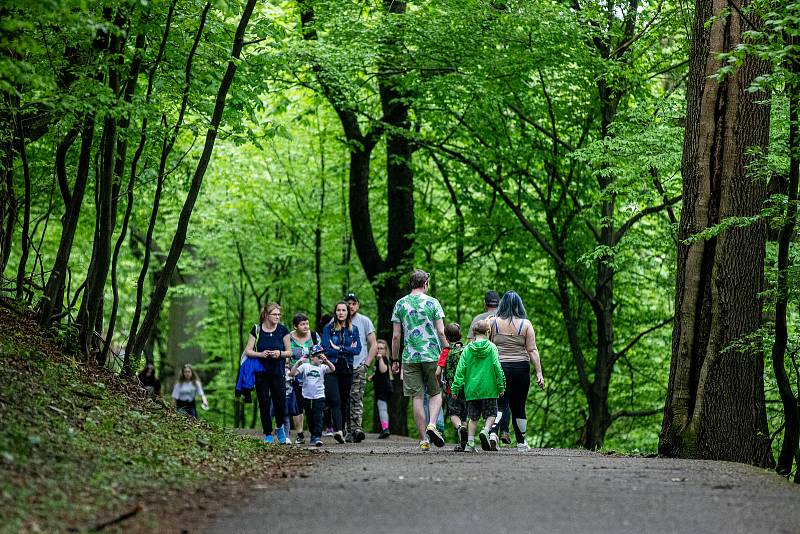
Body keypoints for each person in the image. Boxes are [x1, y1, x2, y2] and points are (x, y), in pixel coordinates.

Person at [391, 269, 448, 450]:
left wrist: (395, 359)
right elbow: (440, 331)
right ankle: (432, 424)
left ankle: (424, 439)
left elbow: (396, 336)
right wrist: (448, 349)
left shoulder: (400, 304)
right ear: (426, 284)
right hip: (432, 355)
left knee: (417, 396)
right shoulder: (433, 303)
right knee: (436, 393)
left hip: (410, 356)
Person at [489, 291, 545, 450]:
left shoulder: (493, 323)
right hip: (521, 369)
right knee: (519, 406)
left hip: (499, 367)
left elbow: (485, 346)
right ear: (519, 305)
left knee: (499, 403)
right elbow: (532, 350)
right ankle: (521, 443)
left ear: (502, 304)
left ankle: (493, 433)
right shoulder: (526, 324)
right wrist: (539, 373)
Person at [450, 319, 505, 452]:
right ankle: (486, 431)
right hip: (489, 389)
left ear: (474, 333)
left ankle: (470, 444)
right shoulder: (492, 347)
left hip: (472, 390)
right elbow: (497, 367)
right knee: (491, 414)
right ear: (488, 332)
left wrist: (455, 388)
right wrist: (501, 385)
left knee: (472, 418)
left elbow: (460, 370)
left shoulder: (467, 349)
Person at [244, 303, 292, 444]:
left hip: (278, 372)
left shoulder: (283, 330)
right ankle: (267, 434)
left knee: (280, 403)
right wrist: (261, 354)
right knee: (264, 403)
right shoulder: (256, 330)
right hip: (261, 373)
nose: (277, 317)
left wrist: (279, 353)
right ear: (266, 315)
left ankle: (279, 428)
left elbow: (290, 351)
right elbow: (248, 350)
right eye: (275, 314)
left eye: (279, 314)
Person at [321, 301, 362, 443]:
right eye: (338, 310)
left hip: (347, 368)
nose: (341, 313)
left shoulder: (354, 329)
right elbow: (326, 348)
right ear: (335, 312)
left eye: (344, 310)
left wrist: (338, 349)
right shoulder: (328, 329)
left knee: (344, 400)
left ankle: (342, 429)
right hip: (331, 367)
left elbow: (357, 350)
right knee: (335, 400)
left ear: (348, 312)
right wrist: (346, 349)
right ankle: (338, 430)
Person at [344, 293, 377, 443]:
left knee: (356, 397)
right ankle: (346, 429)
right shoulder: (337, 320)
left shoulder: (364, 321)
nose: (351, 306)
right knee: (344, 399)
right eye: (348, 303)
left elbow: (374, 344)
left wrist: (366, 364)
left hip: (359, 366)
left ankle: (357, 429)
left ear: (357, 305)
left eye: (353, 303)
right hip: (342, 367)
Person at [290, 344, 335, 447]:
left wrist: (326, 360)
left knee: (318, 416)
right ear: (312, 357)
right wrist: (298, 362)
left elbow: (333, 369)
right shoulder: (306, 366)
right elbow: (292, 374)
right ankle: (313, 434)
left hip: (319, 396)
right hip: (307, 397)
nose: (320, 359)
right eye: (318, 356)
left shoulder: (323, 367)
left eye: (321, 356)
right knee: (310, 417)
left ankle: (317, 437)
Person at [286, 313, 320, 444]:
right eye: (302, 324)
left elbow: (319, 353)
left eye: (307, 323)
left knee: (312, 405)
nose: (306, 326)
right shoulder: (289, 338)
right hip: (295, 375)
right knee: (297, 406)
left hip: (312, 376)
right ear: (295, 326)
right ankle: (300, 434)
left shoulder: (314, 336)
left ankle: (314, 434)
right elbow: (287, 355)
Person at [436, 323, 467, 451]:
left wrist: (440, 384)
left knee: (454, 414)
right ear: (460, 335)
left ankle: (460, 428)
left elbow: (438, 373)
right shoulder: (466, 350)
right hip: (467, 388)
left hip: (451, 389)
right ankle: (464, 444)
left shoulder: (446, 351)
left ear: (446, 337)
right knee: (465, 415)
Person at [368, 339, 393, 439]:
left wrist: (380, 359)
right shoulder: (378, 361)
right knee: (382, 408)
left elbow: (383, 370)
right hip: (381, 388)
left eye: (381, 348)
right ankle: (384, 428)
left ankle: (385, 429)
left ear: (385, 350)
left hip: (384, 389)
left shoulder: (383, 359)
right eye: (377, 348)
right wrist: (373, 376)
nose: (379, 350)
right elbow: (379, 373)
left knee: (382, 408)